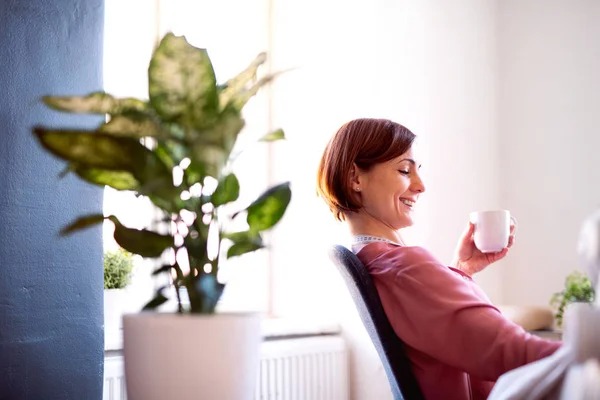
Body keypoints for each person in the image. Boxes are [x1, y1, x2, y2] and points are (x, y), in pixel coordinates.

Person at [316, 118, 562, 400]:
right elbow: (513, 353)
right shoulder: (404, 267)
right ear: (355, 178)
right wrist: (586, 353)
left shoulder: (377, 260)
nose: (421, 186)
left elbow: (437, 329)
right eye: (404, 170)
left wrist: (462, 270)